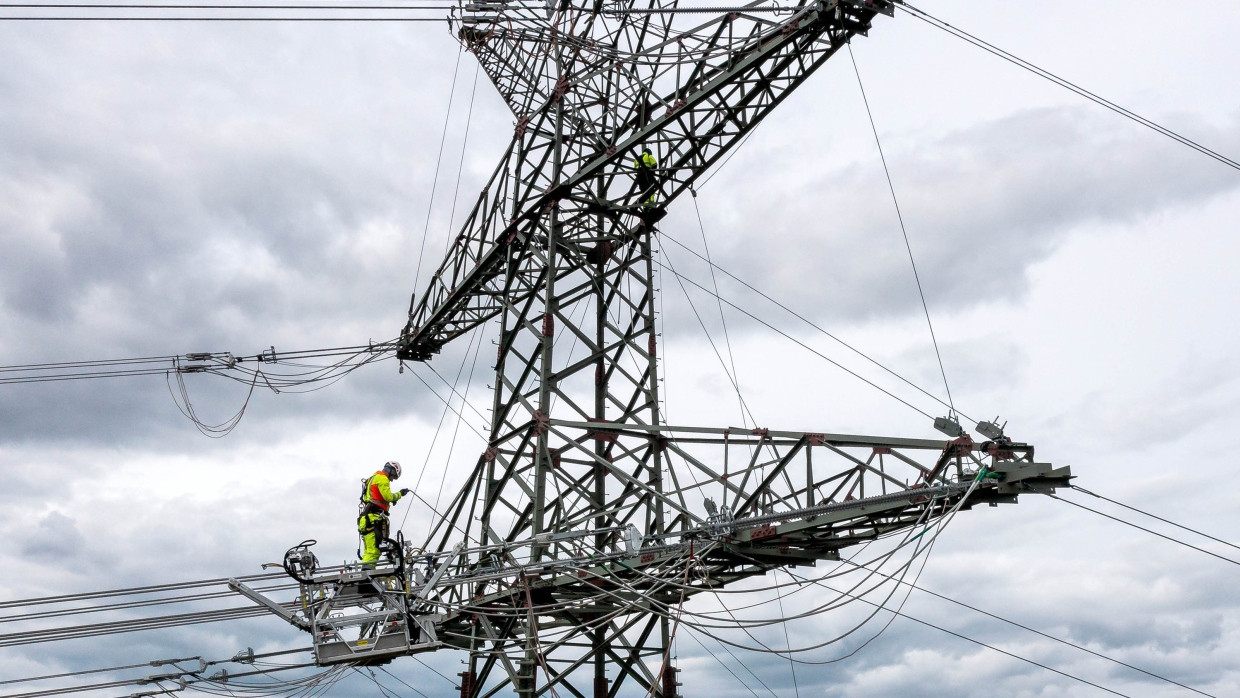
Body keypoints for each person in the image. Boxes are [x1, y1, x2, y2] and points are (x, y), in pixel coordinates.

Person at [357, 461, 411, 566]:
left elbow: (376, 497)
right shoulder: (382, 479)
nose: (392, 480)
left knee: (369, 552)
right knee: (374, 552)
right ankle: (366, 578)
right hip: (373, 519)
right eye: (393, 477)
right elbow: (388, 496)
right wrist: (400, 494)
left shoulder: (373, 478)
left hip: (367, 519)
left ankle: (365, 575)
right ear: (390, 471)